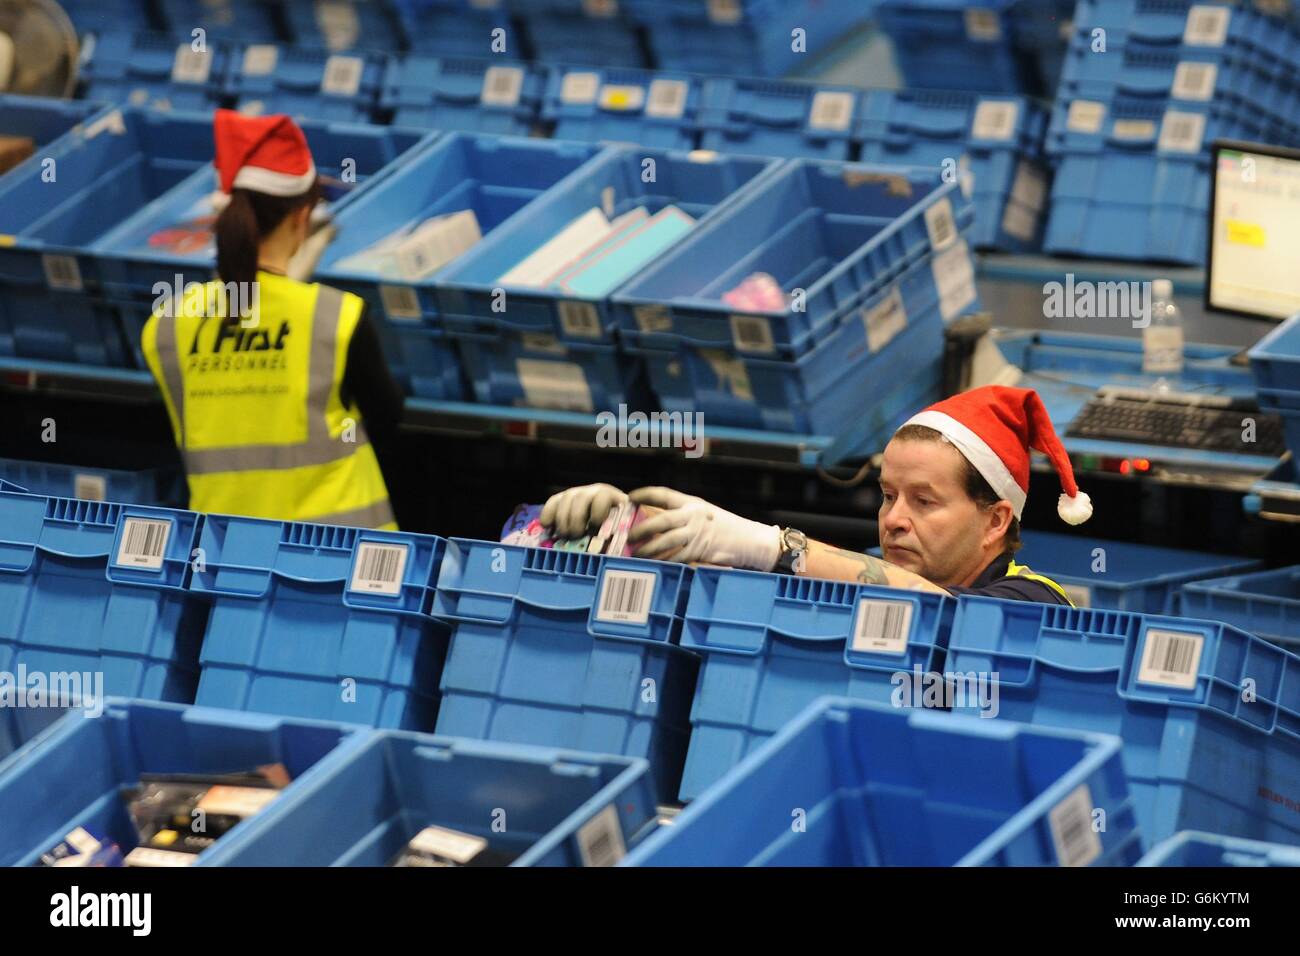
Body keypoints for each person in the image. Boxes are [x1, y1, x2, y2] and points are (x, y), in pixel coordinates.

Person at [541, 386, 1093, 605]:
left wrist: (780, 548)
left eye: (924, 502)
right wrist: (620, 526)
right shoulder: (868, 571)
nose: (895, 520)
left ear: (996, 521)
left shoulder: (1038, 602)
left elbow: (942, 614)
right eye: (887, 496)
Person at [142, 110, 403, 530]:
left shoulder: (167, 324)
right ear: (302, 218)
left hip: (223, 560)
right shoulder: (336, 316)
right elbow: (388, 418)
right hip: (341, 561)